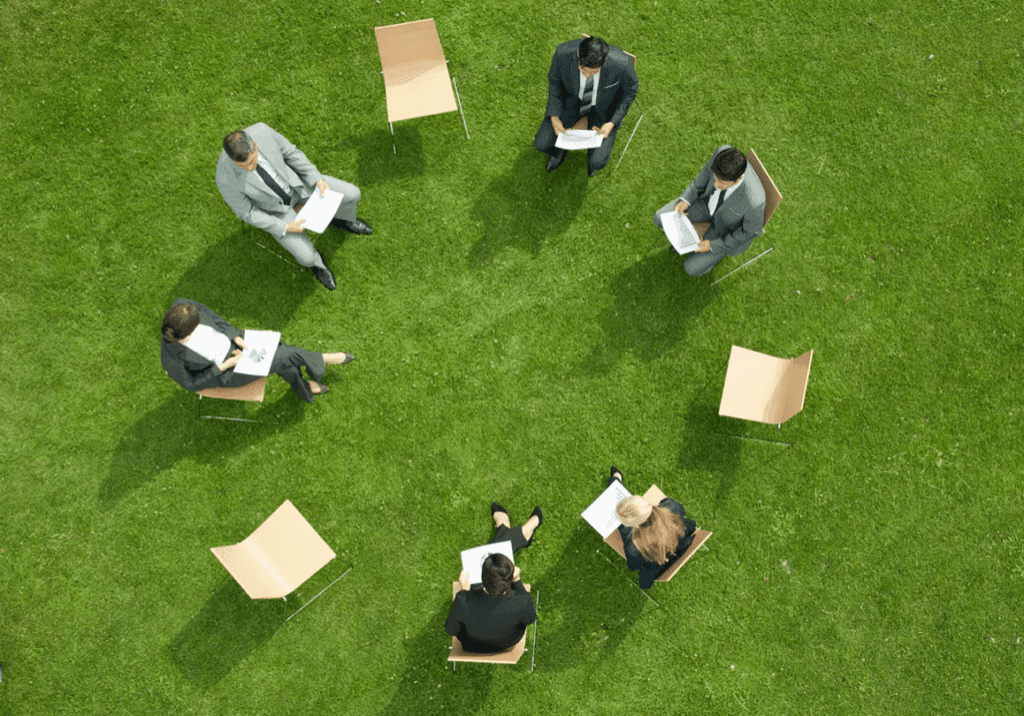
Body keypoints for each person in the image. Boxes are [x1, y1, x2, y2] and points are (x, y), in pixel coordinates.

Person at [215, 123, 373, 291]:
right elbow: (247, 213)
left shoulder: (263, 131)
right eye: (244, 166)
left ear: (255, 145)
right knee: (306, 258)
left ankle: (342, 219)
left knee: (352, 194)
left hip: (300, 185)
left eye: (252, 161)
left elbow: (292, 154)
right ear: (233, 160)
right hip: (276, 212)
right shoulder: (224, 178)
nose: (250, 168)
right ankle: (319, 266)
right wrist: (285, 227)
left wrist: (316, 179)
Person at [161, 298, 354, 404]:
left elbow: (215, 318)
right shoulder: (171, 358)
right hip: (228, 372)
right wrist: (225, 365)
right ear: (184, 334)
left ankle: (303, 388)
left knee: (280, 353)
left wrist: (236, 337)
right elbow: (192, 384)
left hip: (236, 344)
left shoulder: (184, 306)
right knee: (283, 353)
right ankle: (323, 358)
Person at [444, 503, 542, 653]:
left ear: (481, 577)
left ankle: (508, 528)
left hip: (472, 645)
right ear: (509, 579)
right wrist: (517, 581)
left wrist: (464, 591)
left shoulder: (464, 600)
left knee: (497, 543)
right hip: (508, 643)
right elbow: (530, 619)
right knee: (500, 543)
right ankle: (516, 530)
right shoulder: (521, 600)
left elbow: (451, 629)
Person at [653, 145, 765, 277]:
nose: (715, 185)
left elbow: (749, 232)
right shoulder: (722, 153)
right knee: (659, 217)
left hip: (723, 231)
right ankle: (698, 231)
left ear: (738, 179)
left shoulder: (755, 202)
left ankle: (711, 256)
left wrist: (714, 245)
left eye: (722, 183)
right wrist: (686, 200)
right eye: (715, 178)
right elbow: (703, 176)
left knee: (691, 268)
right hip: (704, 206)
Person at [534, 36, 638, 177]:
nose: (588, 75)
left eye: (593, 72)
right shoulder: (562, 53)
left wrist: (611, 123)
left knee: (598, 161)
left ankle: (592, 160)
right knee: (542, 144)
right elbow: (554, 83)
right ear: (578, 55)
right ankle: (558, 151)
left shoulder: (622, 64)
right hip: (570, 104)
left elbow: (630, 91)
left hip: (603, 112)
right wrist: (554, 117)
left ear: (604, 61)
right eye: (583, 70)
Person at [609, 466, 696, 589]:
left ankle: (616, 480)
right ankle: (616, 479)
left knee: (644, 583)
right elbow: (681, 509)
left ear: (636, 525)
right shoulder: (669, 507)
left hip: (657, 566)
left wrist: (625, 529)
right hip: (682, 541)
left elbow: (633, 566)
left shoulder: (633, 548)